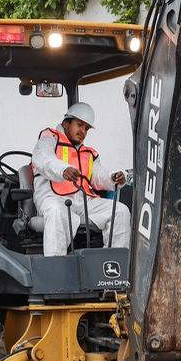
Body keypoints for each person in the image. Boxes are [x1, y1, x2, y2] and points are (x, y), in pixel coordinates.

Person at [31, 102, 130, 256]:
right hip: (54, 198)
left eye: (86, 128)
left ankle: (113, 265)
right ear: (65, 123)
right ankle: (56, 269)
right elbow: (44, 159)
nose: (83, 131)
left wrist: (113, 177)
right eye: (79, 125)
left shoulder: (88, 153)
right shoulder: (49, 138)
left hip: (83, 201)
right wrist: (63, 170)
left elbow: (98, 174)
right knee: (57, 212)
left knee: (120, 211)